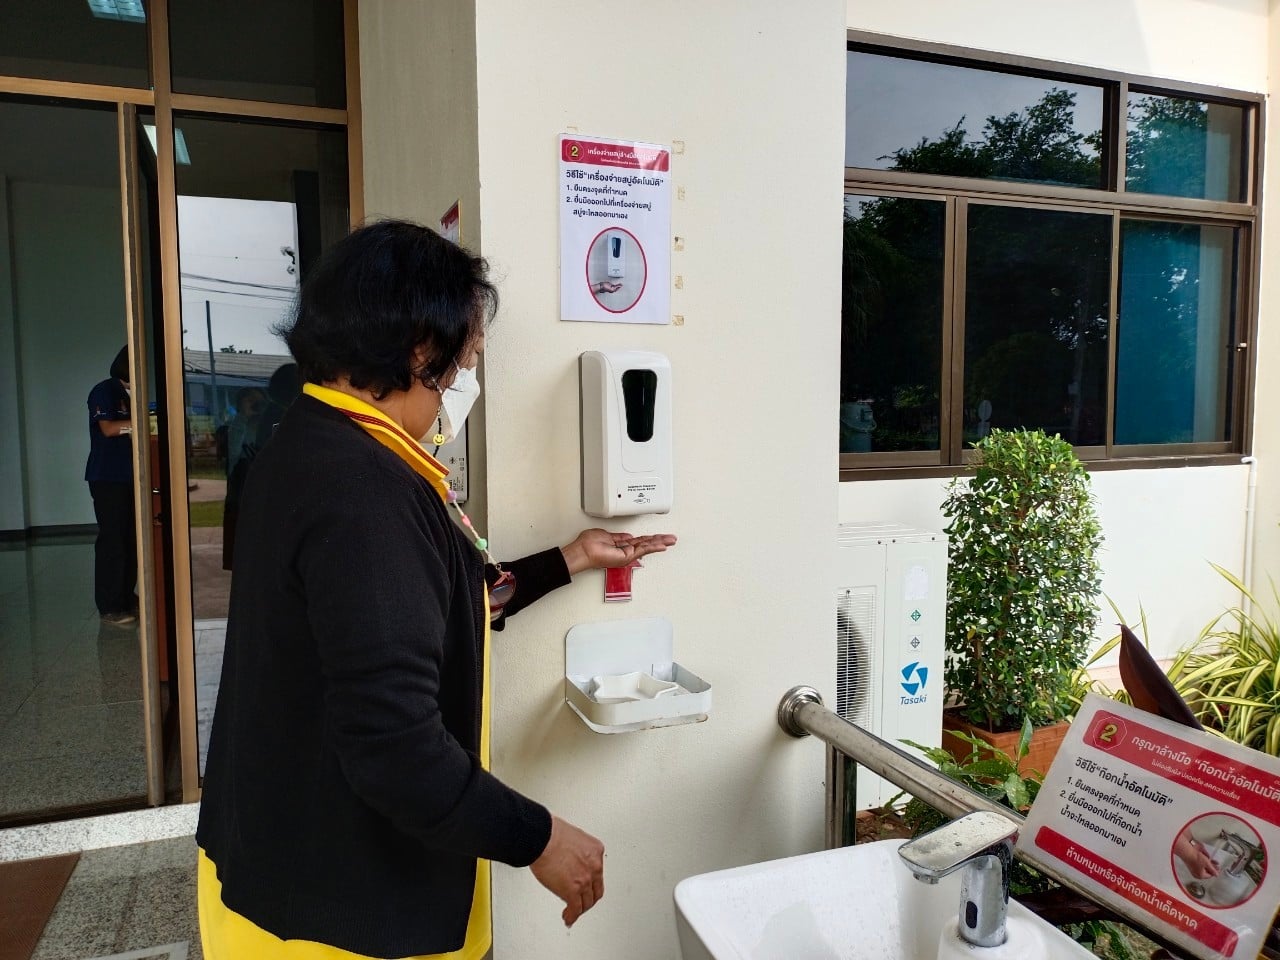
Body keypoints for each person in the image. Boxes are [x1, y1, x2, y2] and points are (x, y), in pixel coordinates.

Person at [195, 219, 677, 960]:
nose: (461, 383)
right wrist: (541, 838)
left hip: (280, 861)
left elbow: (431, 604)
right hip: (340, 921)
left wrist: (572, 557)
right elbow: (396, 747)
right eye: (464, 362)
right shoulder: (363, 492)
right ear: (421, 347)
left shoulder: (306, 444)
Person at [85, 345, 137, 626]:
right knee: (113, 541)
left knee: (131, 540)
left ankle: (126, 596)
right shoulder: (104, 391)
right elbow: (108, 428)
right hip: (108, 478)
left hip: (130, 477)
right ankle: (110, 606)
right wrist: (140, 423)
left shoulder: (132, 395)